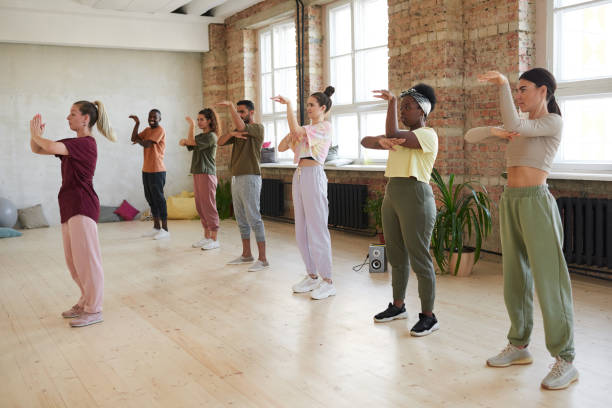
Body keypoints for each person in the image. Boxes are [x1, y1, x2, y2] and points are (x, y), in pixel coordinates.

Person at [465, 68, 578, 390]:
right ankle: (519, 345)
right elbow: (470, 136)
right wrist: (495, 132)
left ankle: (565, 359)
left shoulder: (551, 122)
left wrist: (501, 84)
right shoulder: (522, 127)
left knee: (549, 280)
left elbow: (515, 124)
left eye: (523, 89)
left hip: (537, 202)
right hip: (512, 200)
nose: (519, 95)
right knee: (515, 276)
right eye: (515, 89)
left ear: (544, 91)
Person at [361, 84, 440, 337]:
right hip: (392, 193)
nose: (403, 111)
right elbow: (365, 141)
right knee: (396, 254)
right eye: (401, 106)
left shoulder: (428, 135)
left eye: (407, 107)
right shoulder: (398, 137)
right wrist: (381, 141)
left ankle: (429, 316)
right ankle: (398, 306)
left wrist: (392, 101)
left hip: (415, 194)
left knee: (419, 257)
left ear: (423, 110)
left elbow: (393, 131)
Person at [29, 100, 116, 327]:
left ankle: (94, 309)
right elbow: (38, 148)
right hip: (69, 207)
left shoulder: (87, 144)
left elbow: (46, 146)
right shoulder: (72, 144)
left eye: (73, 113)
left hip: (82, 206)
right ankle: (85, 300)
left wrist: (37, 134)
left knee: (87, 261)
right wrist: (35, 135)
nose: (68, 117)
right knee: (73, 262)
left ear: (85, 119)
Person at [272, 86, 336, 300]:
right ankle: (312, 275)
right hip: (298, 176)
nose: (308, 108)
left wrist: (289, 106)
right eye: (306, 105)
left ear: (323, 108)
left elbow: (297, 131)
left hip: (314, 175)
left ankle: (328, 280)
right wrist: (293, 132)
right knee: (301, 230)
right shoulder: (306, 130)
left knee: (317, 229)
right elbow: (281, 147)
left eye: (311, 105)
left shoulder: (324, 127)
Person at [216, 100, 269, 272]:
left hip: (250, 177)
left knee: (254, 217)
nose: (239, 115)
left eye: (242, 112)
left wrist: (230, 107)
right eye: (237, 111)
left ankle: (263, 259)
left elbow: (241, 126)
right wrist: (232, 134)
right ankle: (247, 254)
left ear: (251, 112)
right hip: (236, 178)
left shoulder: (257, 128)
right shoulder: (238, 132)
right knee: (240, 218)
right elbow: (220, 141)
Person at [180, 108, 221, 250]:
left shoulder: (211, 137)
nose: (198, 122)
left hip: (207, 174)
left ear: (209, 120)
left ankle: (214, 239)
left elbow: (190, 142)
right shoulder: (201, 137)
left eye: (201, 119)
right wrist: (186, 141)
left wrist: (190, 126)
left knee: (209, 205)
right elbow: (190, 143)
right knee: (200, 206)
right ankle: (206, 237)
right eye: (197, 120)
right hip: (198, 173)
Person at [129, 109, 169, 240]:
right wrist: (137, 123)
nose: (152, 119)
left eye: (155, 117)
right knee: (150, 199)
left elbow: (146, 144)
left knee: (159, 199)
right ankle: (156, 227)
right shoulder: (147, 130)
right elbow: (133, 138)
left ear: (160, 119)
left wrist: (140, 141)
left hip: (157, 170)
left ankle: (165, 229)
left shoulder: (160, 130)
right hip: (146, 170)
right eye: (150, 116)